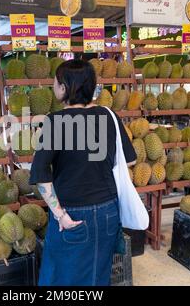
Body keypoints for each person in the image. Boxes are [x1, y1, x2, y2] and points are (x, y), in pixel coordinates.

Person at [29, 59, 137, 286]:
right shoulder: (109, 116)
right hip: (108, 210)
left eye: (56, 82)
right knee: (97, 275)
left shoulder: (55, 122)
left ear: (65, 88)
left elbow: (40, 174)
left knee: (60, 277)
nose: (53, 85)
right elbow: (131, 160)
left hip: (73, 214)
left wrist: (60, 215)